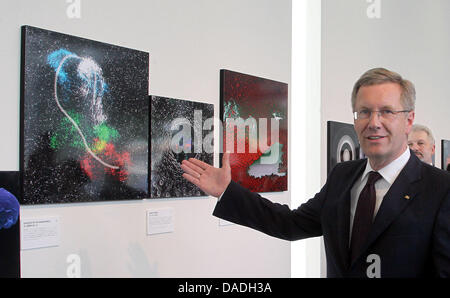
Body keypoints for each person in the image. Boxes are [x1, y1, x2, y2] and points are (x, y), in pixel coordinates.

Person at [181, 68, 450, 278]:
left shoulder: (440, 190)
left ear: (409, 120)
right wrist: (228, 192)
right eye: (364, 112)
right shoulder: (343, 176)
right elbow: (290, 224)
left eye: (387, 112)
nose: (374, 122)